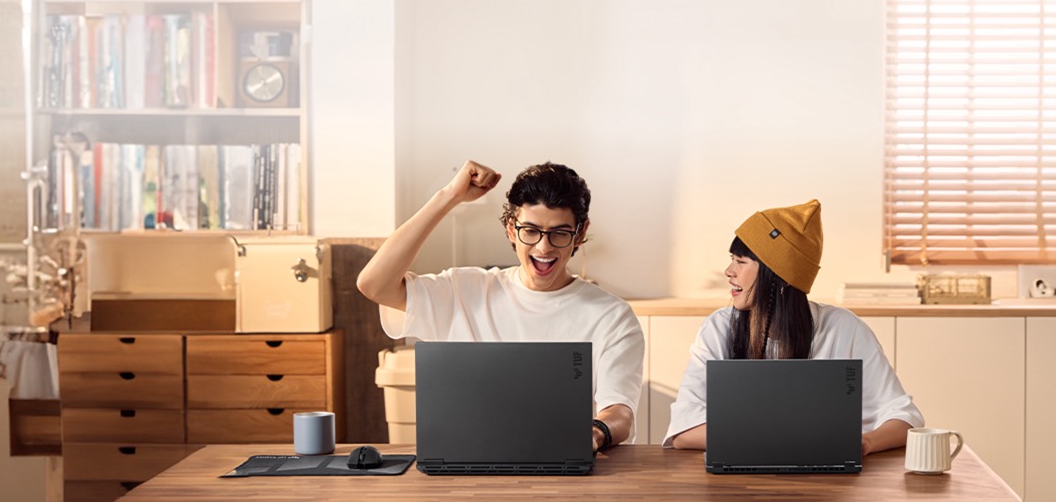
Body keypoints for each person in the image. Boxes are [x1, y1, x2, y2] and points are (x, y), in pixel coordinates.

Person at [356, 161, 646, 452]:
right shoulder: (462, 291)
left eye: (559, 233)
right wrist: (448, 196)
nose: (544, 249)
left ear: (580, 234)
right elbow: (373, 285)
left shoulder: (612, 317)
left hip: (562, 463)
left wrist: (593, 434)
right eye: (530, 231)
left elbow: (619, 412)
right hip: (465, 463)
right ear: (511, 229)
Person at [661, 200, 922, 455]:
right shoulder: (719, 328)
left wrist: (864, 444)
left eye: (741, 262)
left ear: (777, 276)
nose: (729, 271)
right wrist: (790, 439)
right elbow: (684, 431)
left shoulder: (844, 328)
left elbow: (904, 417)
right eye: (732, 259)